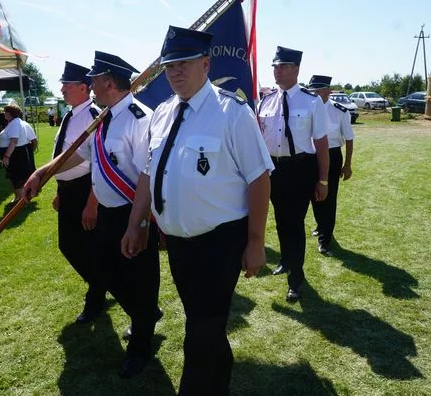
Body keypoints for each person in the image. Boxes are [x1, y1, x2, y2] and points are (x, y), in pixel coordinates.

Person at [121, 26, 273, 395]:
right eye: (169, 66)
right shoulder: (162, 113)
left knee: (200, 332)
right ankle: (219, 380)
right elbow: (147, 173)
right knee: (204, 322)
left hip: (220, 242)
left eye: (183, 64)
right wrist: (137, 224)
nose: (174, 72)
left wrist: (256, 242)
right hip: (178, 242)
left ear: (205, 64)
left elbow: (259, 178)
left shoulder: (231, 113)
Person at [72, 50, 162, 379]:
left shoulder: (141, 118)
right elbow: (87, 160)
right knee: (106, 273)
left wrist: (138, 223)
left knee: (140, 280)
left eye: (94, 79)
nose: (90, 84)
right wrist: (44, 173)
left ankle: (140, 347)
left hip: (133, 214)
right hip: (108, 214)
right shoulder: (103, 117)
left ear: (109, 82)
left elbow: (146, 176)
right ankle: (146, 317)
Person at [23, 61, 107, 324]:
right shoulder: (70, 115)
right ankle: (101, 285)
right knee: (69, 245)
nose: (61, 89)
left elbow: (98, 163)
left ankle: (97, 295)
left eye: (67, 85)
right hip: (69, 190)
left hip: (87, 189)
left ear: (84, 87)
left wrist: (92, 203)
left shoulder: (94, 115)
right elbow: (61, 155)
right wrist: (60, 189)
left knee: (88, 248)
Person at [257, 46, 329, 303]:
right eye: (275, 66)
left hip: (301, 168)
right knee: (281, 220)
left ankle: (295, 278)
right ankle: (287, 261)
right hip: (274, 170)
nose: (278, 70)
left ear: (296, 69)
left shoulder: (312, 101)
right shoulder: (265, 101)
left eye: (284, 66)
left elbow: (321, 144)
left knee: (295, 223)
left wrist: (322, 180)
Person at [308, 75, 355, 255]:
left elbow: (349, 139)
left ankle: (325, 239)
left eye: (319, 90)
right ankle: (321, 226)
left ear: (328, 91)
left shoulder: (339, 111)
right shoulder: (308, 108)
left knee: (329, 196)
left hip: (332, 155)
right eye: (313, 91)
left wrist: (348, 164)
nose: (316, 94)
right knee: (315, 195)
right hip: (311, 156)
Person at [0, 104, 35, 203]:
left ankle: (20, 199)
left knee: (16, 176)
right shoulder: (17, 122)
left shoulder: (14, 124)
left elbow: (14, 140)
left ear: (10, 113)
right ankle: (20, 197)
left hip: (15, 154)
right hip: (17, 152)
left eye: (5, 111)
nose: (4, 113)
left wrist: (6, 156)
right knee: (18, 175)